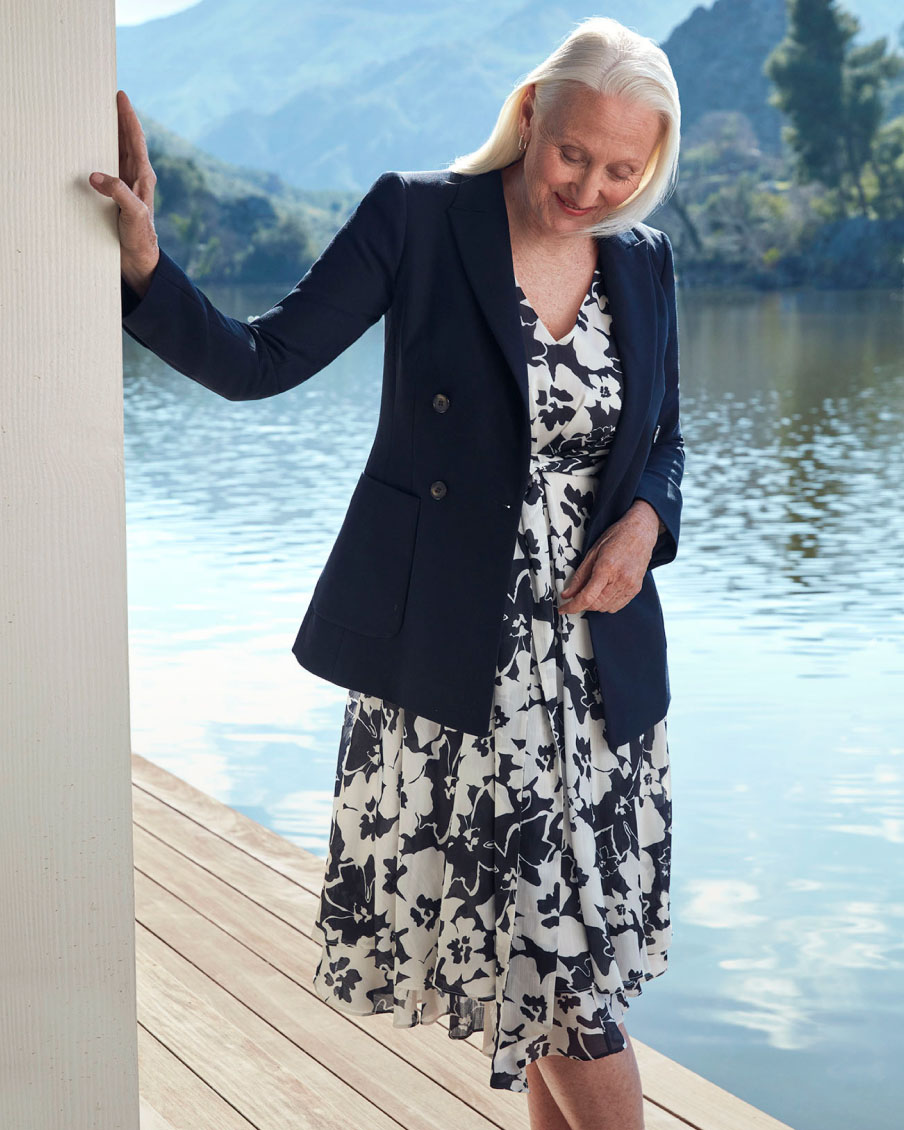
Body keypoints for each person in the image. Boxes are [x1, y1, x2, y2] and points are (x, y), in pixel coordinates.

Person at [90, 15, 684, 1130]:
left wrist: (647, 519)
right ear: (527, 115)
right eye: (572, 154)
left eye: (622, 168)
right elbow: (262, 363)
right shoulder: (416, 218)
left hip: (599, 692)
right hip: (460, 671)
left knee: (547, 980)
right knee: (564, 991)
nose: (590, 187)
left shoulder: (643, 264)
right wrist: (146, 268)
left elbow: (663, 441)